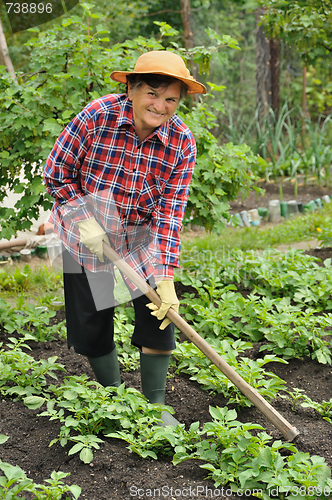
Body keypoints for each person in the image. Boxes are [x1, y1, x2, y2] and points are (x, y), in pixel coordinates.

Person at [44, 50, 206, 426]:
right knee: (93, 318)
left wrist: (164, 278)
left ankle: (155, 406)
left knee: (158, 317)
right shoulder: (97, 117)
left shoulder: (181, 143)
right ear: (131, 88)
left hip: (141, 237)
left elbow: (169, 215)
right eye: (153, 93)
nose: (161, 105)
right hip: (84, 230)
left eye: (171, 99)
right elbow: (57, 173)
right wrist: (86, 222)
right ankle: (114, 396)